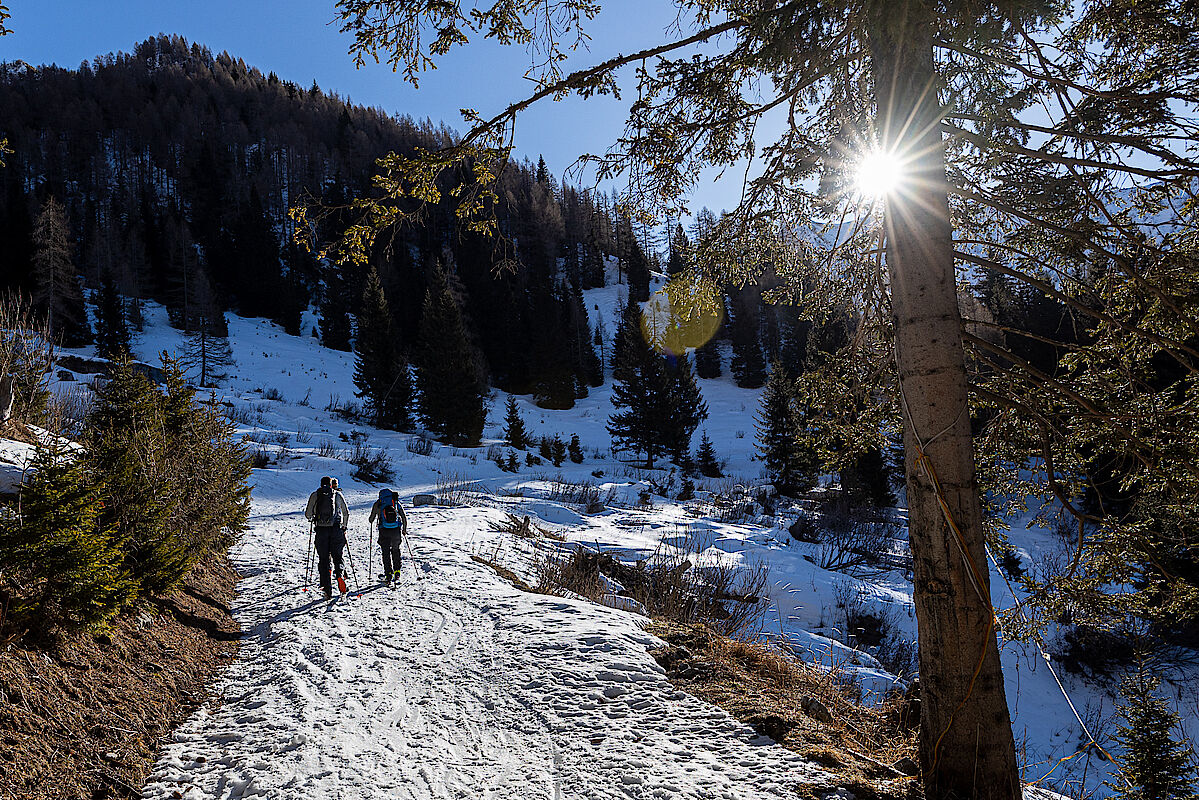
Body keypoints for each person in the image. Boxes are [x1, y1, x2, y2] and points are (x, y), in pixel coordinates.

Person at [304, 475, 350, 599]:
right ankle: (340, 575)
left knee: (324, 559)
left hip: (321, 531)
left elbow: (308, 514)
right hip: (336, 530)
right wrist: (344, 526)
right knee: (338, 556)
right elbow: (346, 512)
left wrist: (314, 518)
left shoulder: (315, 495)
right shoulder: (337, 495)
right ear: (331, 484)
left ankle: (327, 589)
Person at [368, 488, 407, 583]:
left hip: (384, 530)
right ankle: (397, 572)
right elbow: (403, 517)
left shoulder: (378, 503)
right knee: (395, 550)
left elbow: (371, 519)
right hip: (395, 531)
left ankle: (388, 573)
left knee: (385, 552)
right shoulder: (396, 502)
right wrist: (404, 529)